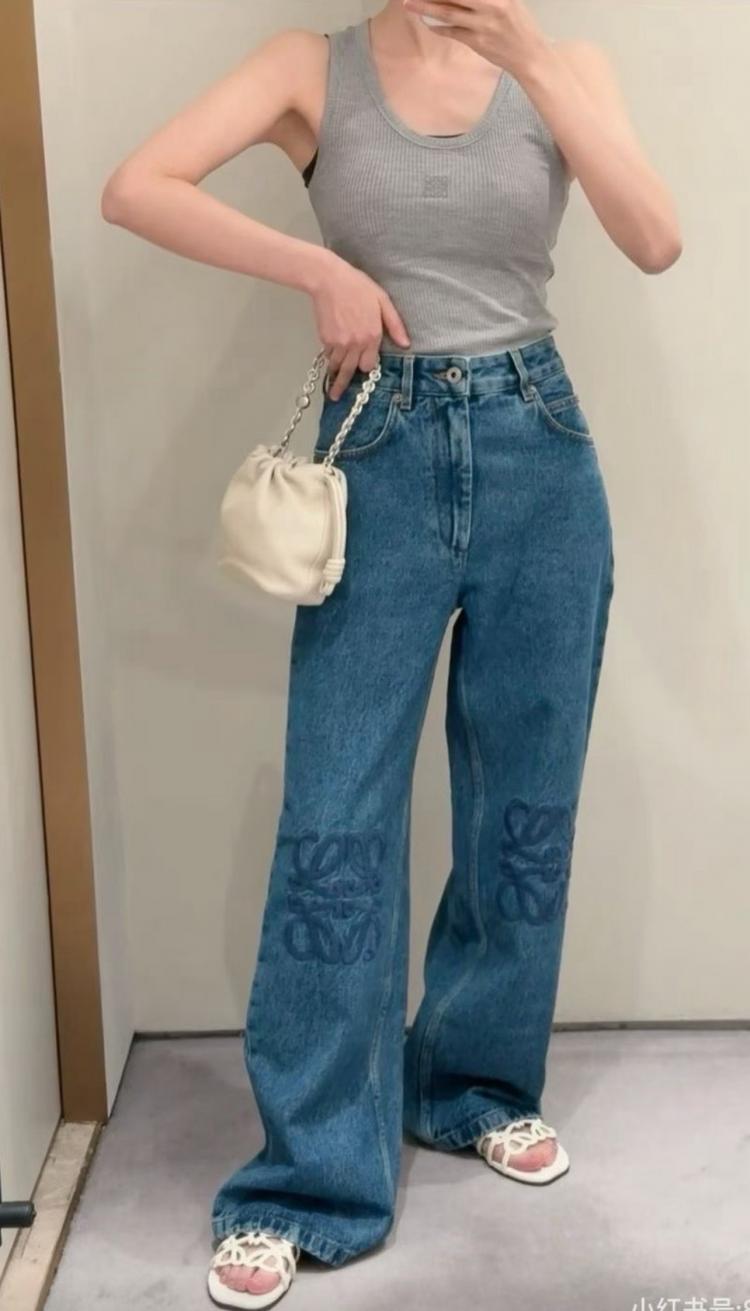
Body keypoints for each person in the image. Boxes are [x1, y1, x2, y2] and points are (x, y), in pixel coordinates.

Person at [101, 2, 682, 1306]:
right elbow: (135, 186)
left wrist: (529, 61)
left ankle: (471, 1084)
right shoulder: (311, 68)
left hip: (540, 450)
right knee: (336, 821)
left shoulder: (562, 67)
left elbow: (654, 238)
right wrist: (316, 269)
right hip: (380, 451)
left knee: (523, 807)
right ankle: (307, 1183)